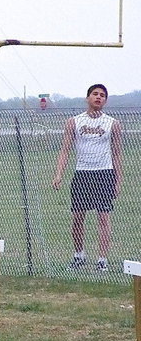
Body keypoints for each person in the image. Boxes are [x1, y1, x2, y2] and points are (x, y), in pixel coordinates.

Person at [52, 84, 122, 272]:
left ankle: (102, 260)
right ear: (87, 98)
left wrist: (117, 180)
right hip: (82, 173)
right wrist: (59, 173)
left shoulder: (112, 123)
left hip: (104, 173)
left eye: (102, 96)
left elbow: (116, 154)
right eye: (95, 94)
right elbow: (65, 149)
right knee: (77, 217)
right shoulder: (74, 122)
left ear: (105, 101)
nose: (99, 97)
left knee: (104, 218)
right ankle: (79, 255)